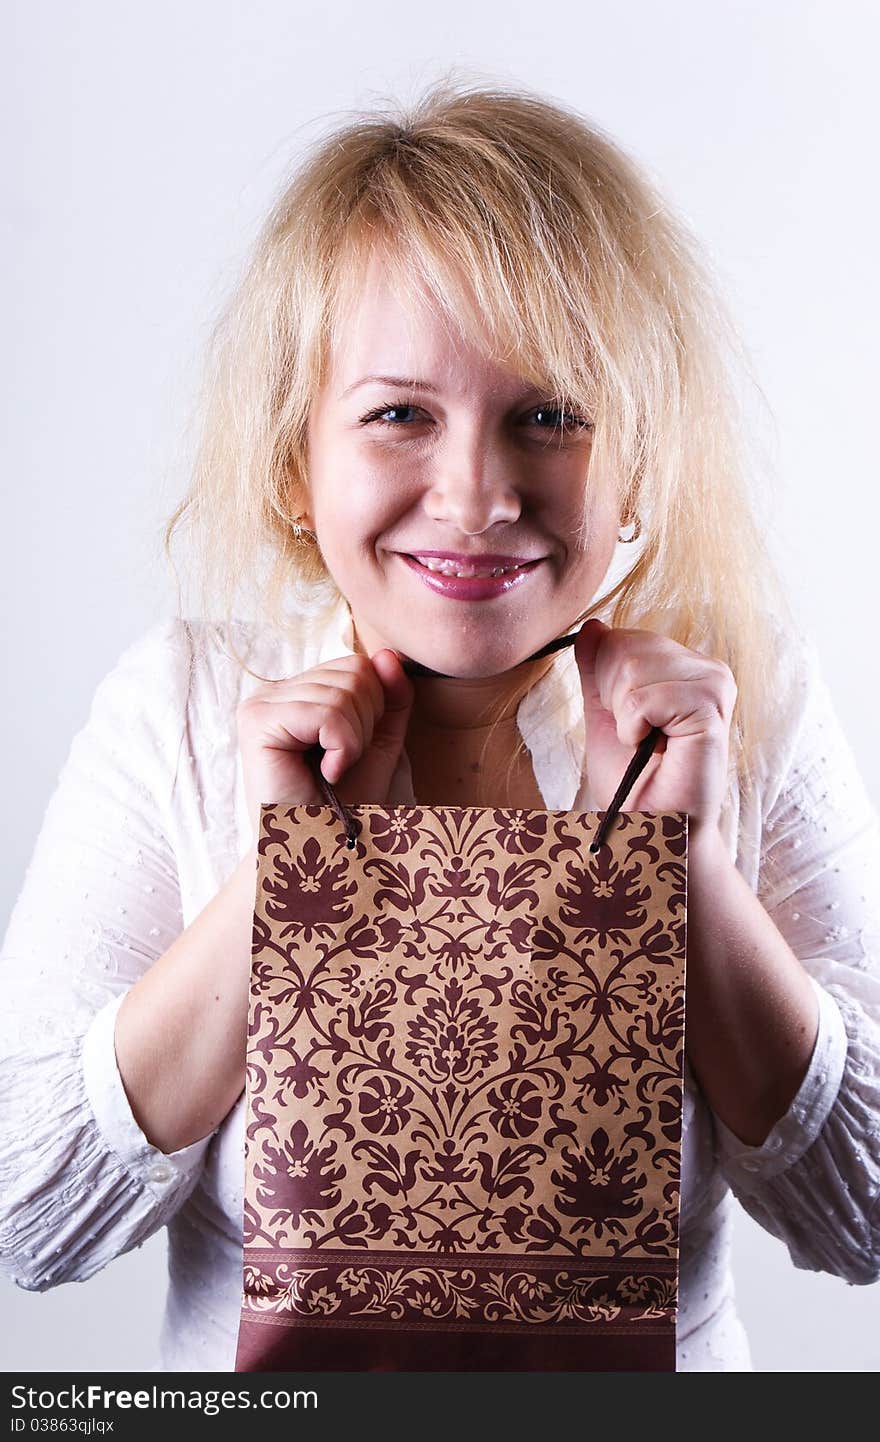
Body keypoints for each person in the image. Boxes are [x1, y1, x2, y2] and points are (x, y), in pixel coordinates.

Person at [1, 79, 879, 1374]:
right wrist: (287, 890)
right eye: (401, 413)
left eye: (552, 414)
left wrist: (674, 873)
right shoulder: (181, 707)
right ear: (299, 465)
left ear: (637, 458)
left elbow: (863, 1219)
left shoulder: (748, 699)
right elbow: (31, 1217)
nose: (476, 493)